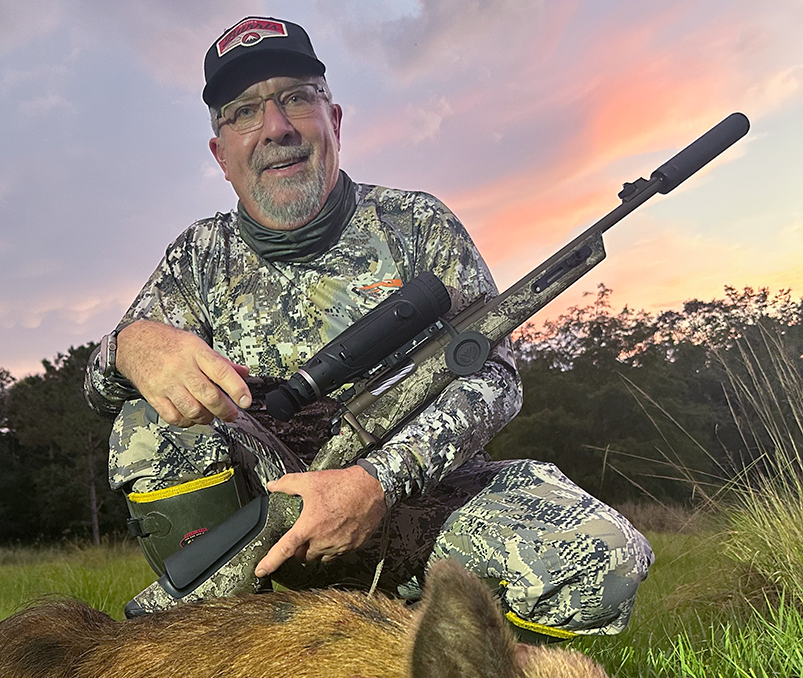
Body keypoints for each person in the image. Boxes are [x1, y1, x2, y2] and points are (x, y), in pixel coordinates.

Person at [84, 16, 653, 638]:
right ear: (221, 154)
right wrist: (133, 345)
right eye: (243, 111)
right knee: (147, 423)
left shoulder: (416, 223)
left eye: (296, 98)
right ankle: (226, 638)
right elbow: (98, 384)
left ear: (334, 120)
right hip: (274, 504)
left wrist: (375, 482)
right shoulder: (197, 258)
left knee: (604, 557)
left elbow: (493, 378)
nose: (276, 127)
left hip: (424, 499)